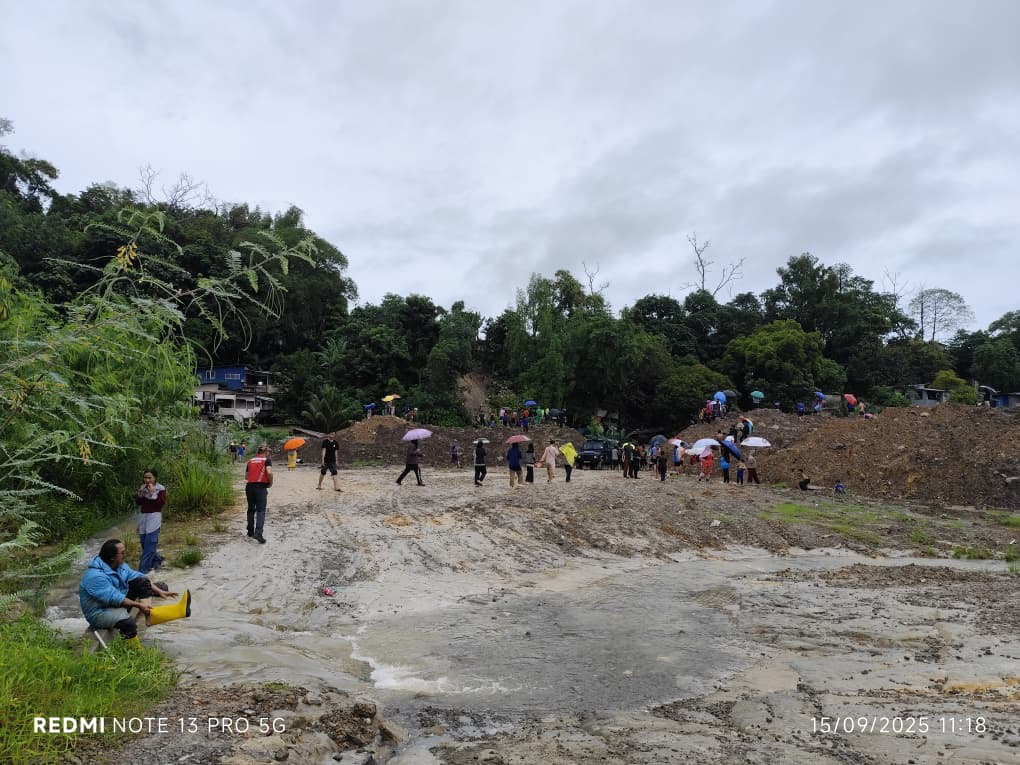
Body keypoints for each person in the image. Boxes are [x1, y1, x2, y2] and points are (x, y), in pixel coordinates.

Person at [79, 539, 188, 644]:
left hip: (113, 603)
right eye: (122, 553)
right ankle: (135, 651)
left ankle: (150, 616)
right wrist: (138, 605)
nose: (125, 555)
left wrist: (159, 591)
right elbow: (115, 598)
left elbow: (138, 577)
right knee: (129, 624)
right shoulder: (95, 576)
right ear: (112, 558)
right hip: (99, 613)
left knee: (142, 581)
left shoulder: (119, 566)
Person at [136, 469, 166, 574]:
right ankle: (157, 559)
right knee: (144, 544)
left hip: (154, 518)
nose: (147, 480)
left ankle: (143, 571)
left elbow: (160, 504)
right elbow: (138, 503)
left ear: (155, 478)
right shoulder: (143, 488)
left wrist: (153, 493)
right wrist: (140, 493)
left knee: (149, 545)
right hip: (143, 518)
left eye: (150, 478)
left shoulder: (160, 489)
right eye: (145, 477)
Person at [245, 445, 273, 542]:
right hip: (260, 488)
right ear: (265, 452)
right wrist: (270, 483)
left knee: (251, 509)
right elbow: (269, 473)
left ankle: (250, 531)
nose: (269, 453)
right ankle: (258, 533)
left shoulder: (250, 460)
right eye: (268, 452)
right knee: (261, 511)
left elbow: (246, 477)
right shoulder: (266, 460)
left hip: (249, 487)